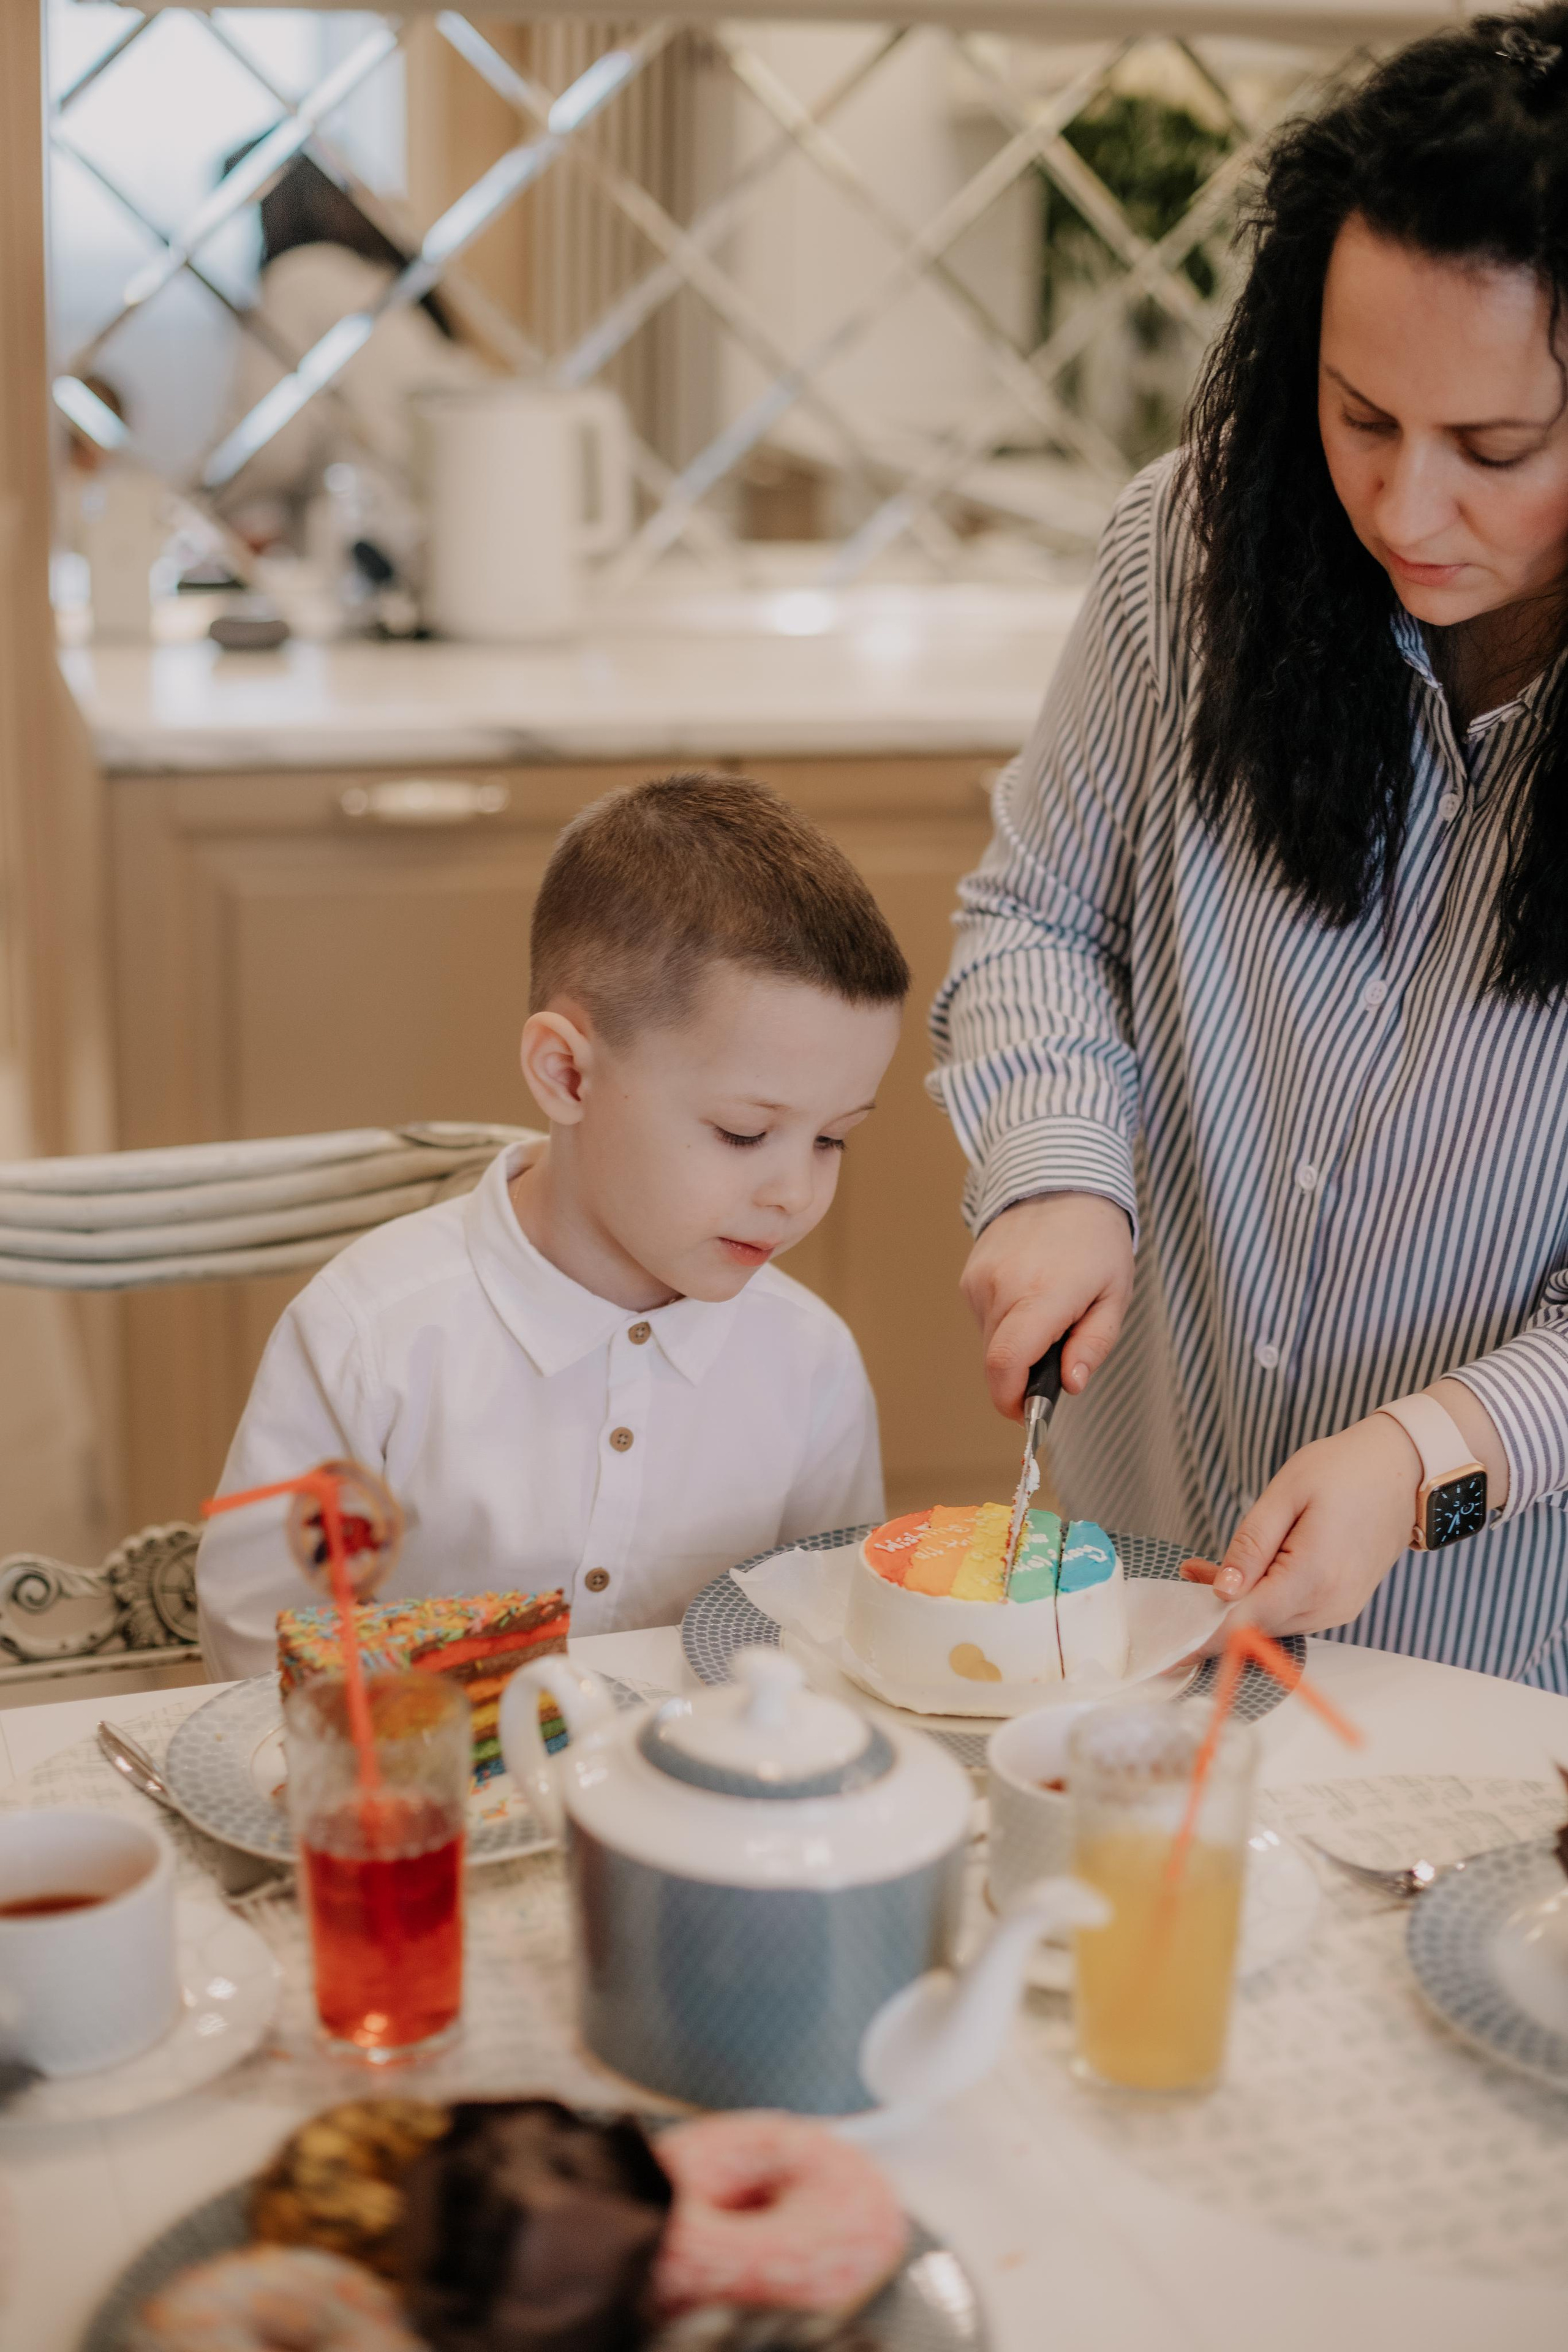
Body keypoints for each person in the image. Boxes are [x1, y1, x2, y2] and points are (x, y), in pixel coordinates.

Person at [930, 9, 1568, 1686]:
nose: (1407, 510)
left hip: (1487, 1665)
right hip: (1136, 1569)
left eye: (1498, 454)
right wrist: (1061, 1168)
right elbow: (1036, 916)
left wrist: (1423, 1457)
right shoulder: (1201, 551)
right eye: (1363, 418)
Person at [197, 773, 907, 1678]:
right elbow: (261, 1647)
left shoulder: (811, 1362)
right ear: (566, 1075)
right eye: (743, 1133)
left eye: (835, 1139)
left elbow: (836, 1643)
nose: (795, 1193)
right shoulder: (368, 1339)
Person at [217, 153, 482, 548]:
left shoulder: (299, 280)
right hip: (461, 519)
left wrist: (198, 504)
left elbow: (272, 450)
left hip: (382, 535)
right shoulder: (378, 278)